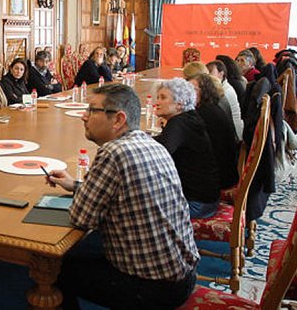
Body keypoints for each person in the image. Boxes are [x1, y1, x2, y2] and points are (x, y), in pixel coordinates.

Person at [46, 84, 198, 309]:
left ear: (118, 119)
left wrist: (82, 192)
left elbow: (82, 218)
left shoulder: (113, 152)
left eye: (92, 110)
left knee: (57, 268)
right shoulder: (151, 143)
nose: (84, 116)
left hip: (152, 287)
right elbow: (120, 190)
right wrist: (75, 185)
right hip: (182, 272)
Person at [153, 78, 221, 218]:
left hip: (196, 204)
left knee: (134, 208)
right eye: (158, 97)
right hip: (206, 198)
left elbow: (156, 157)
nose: (157, 102)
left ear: (180, 104)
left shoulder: (179, 124)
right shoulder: (188, 118)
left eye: (163, 98)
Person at [188, 73, 239, 190]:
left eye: (192, 90)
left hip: (217, 181)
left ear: (204, 91)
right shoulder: (211, 107)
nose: (188, 94)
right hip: (224, 173)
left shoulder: (204, 114)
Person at [206, 60, 244, 140]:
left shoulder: (224, 92)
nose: (206, 77)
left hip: (234, 136)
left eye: (210, 73)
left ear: (221, 74)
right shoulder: (223, 87)